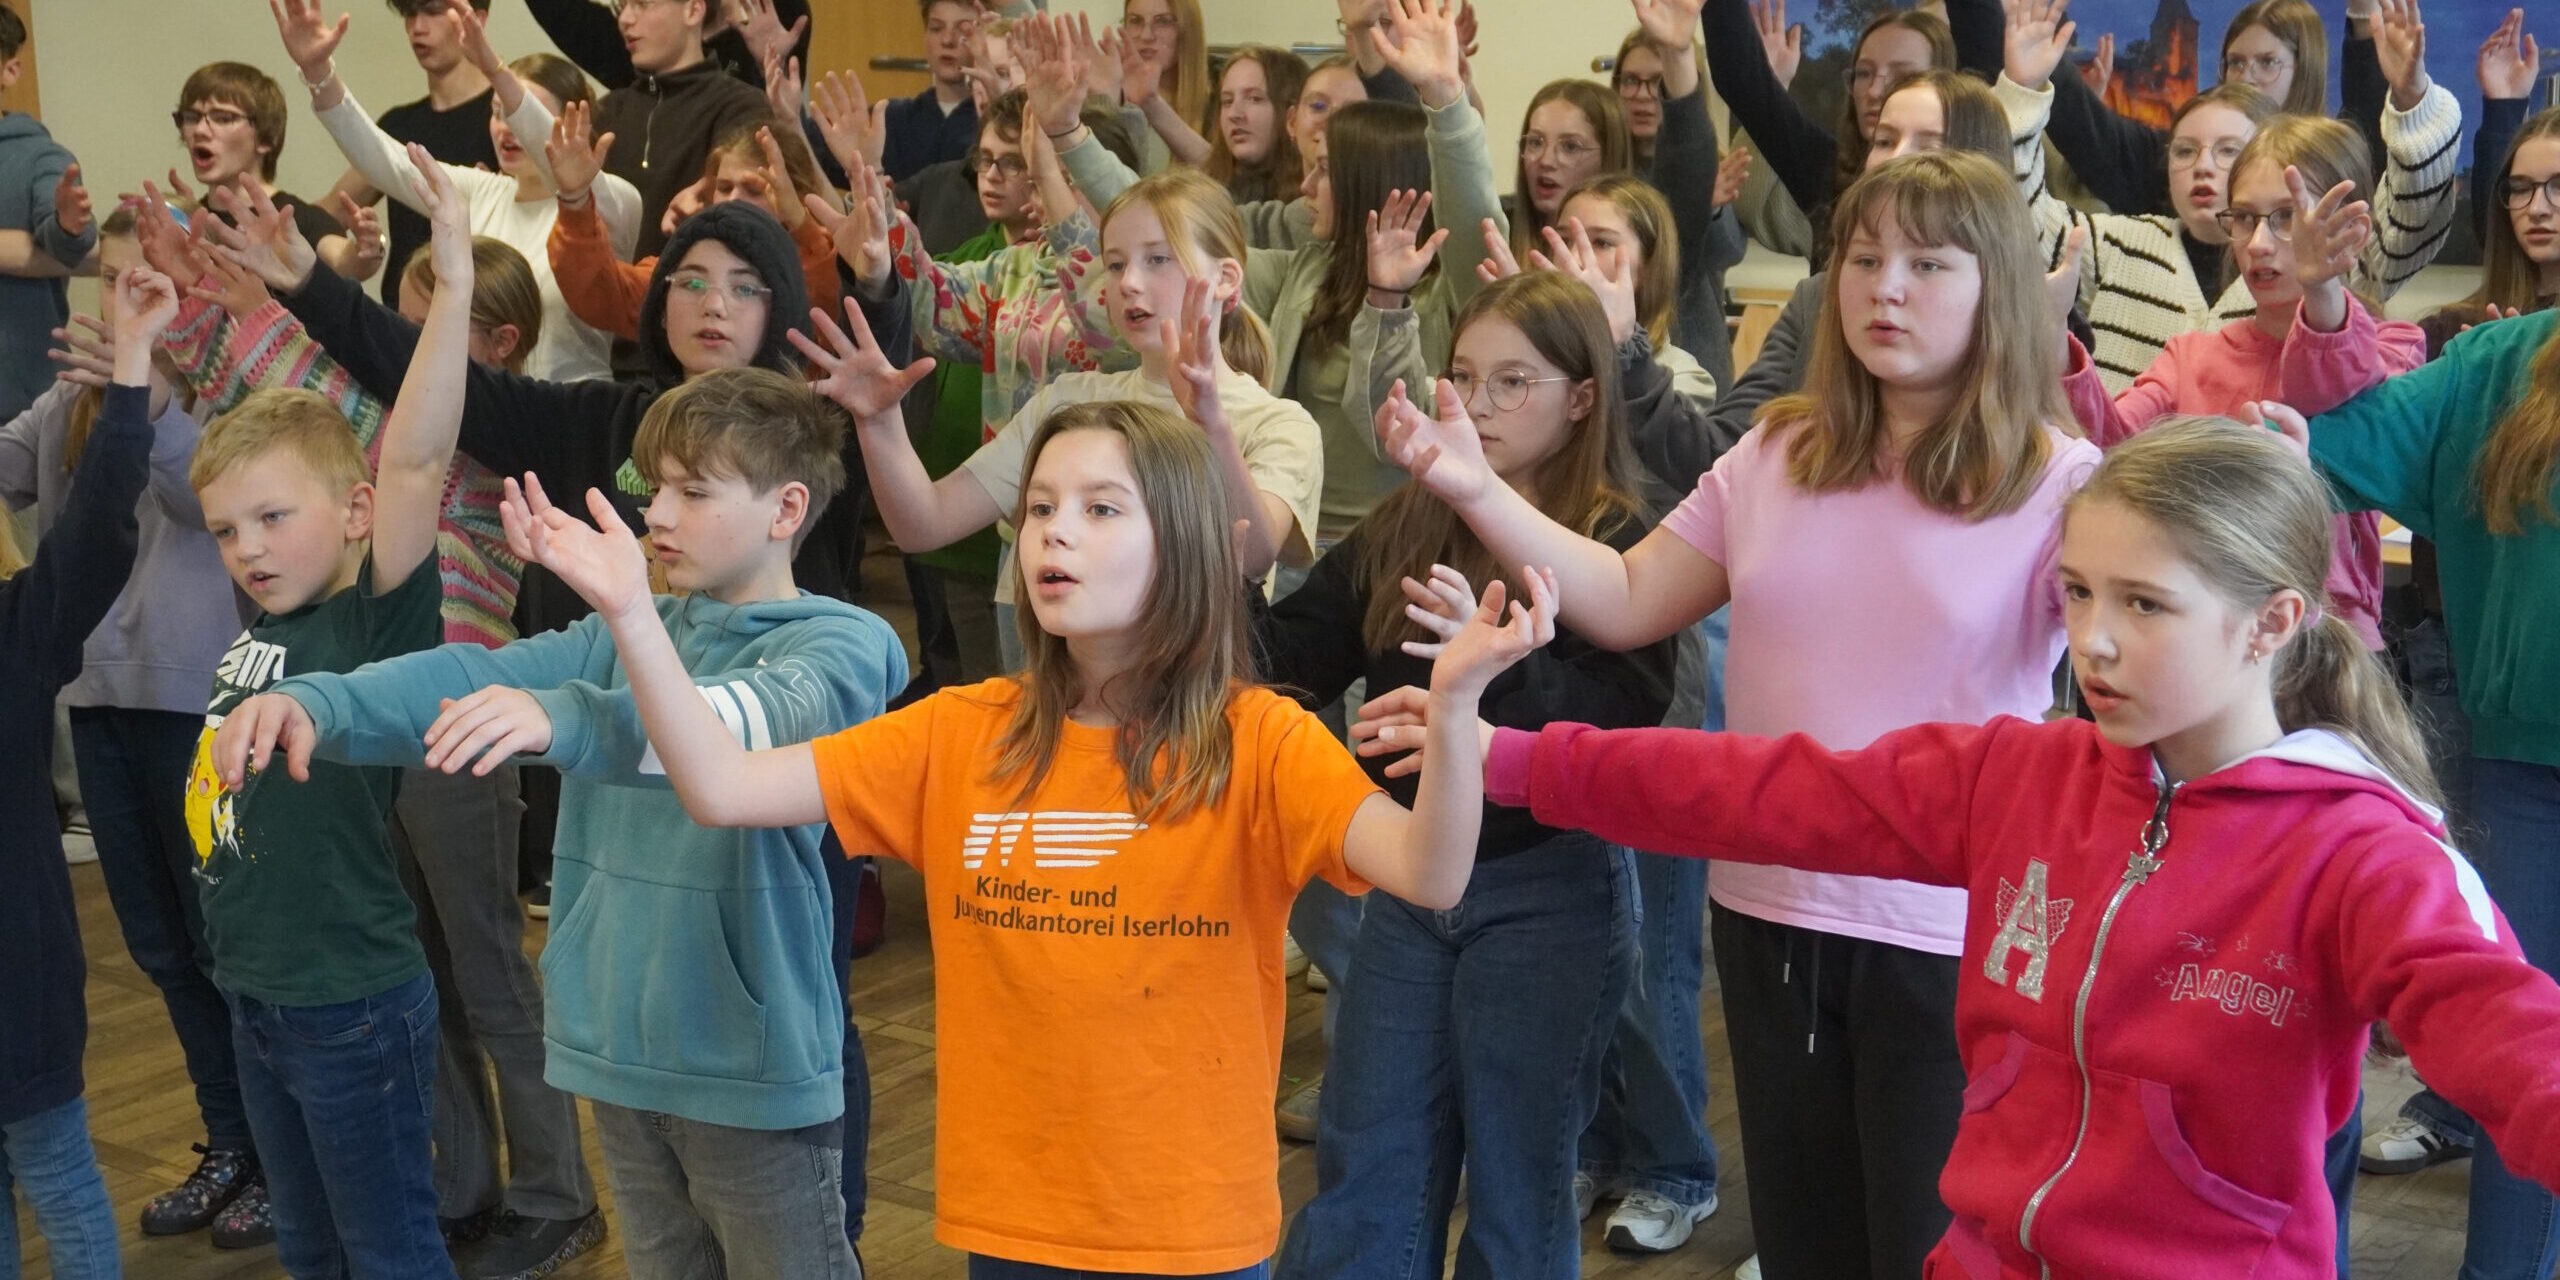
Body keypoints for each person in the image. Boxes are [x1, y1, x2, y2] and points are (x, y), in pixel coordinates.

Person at [1450, 413, 2560, 1280]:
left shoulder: (2359, 849)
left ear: (2271, 623)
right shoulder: (2022, 775)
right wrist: (1509, 758)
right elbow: (1761, 791)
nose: (2094, 640)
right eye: (2077, 593)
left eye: (2145, 605)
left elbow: (2509, 1033)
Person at [490, 380, 1538, 1273]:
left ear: (1182, 543)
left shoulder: (1259, 740)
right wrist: (633, 615)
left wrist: (1454, 715)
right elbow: (719, 785)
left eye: (1099, 508)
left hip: (1189, 1228)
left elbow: (1430, 872)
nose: (1055, 533)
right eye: (1039, 509)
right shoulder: (962, 730)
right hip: (1012, 1218)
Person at [1375, 150, 2102, 1279]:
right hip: (1769, 908)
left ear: (1996, 285)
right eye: (1863, 258)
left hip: (1952, 930)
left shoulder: (2061, 481)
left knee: (1933, 1251)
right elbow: (1626, 597)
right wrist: (1477, 488)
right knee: (1808, 1246)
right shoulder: (1776, 452)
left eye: (1926, 264)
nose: (1884, 287)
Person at [215, 367, 897, 1280]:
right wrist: (318, 700)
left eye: (694, 492)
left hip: (753, 1075)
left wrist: (568, 705)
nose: (659, 514)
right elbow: (466, 673)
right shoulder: (623, 630)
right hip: (616, 1057)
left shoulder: (848, 644)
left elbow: (724, 735)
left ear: (787, 509)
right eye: (654, 488)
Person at [1267, 270, 1676, 1279]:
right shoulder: (1406, 524)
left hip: (1550, 889)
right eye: (1463, 377)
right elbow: (1286, 655)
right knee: (1367, 1158)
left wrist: (1491, 672)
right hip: (1409, 887)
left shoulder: (1615, 537)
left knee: (1518, 1175)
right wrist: (1206, 558)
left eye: (1512, 382)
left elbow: (1621, 724)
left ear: (1581, 397)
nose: (1478, 405)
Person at [179, 153, 486, 1280]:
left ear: (355, 514)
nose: (247, 548)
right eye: (226, 530)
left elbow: (416, 457)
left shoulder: (373, 620)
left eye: (272, 517)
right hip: (257, 990)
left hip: (348, 1002)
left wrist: (453, 283)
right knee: (308, 1246)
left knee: (390, 1247)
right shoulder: (264, 623)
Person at [2261, 301, 2560, 1280]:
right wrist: (2297, 393)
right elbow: (2328, 446)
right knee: (2520, 1060)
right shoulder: (2500, 364)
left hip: (2518, 757)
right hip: (2523, 765)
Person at [1, 206, 255, 1251]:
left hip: (189, 700)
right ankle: (229, 1140)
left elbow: (206, 502)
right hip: (98, 697)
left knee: (222, 942)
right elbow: (11, 468)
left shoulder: (216, 388)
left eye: (144, 283)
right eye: (107, 281)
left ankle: (276, 1156)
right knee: (158, 946)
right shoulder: (72, 393)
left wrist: (143, 395)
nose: (120, 302)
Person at [2060, 117, 2416, 654]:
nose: (2258, 244)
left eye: (2286, 218)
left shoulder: (2394, 346)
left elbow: (2327, 393)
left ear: (2351, 230)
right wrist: (2055, 348)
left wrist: (2322, 290)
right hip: (2202, 637)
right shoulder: (2192, 355)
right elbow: (2107, 450)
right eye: (2244, 219)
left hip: (2331, 642)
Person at [1997, 0, 2461, 393]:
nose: (2202, 165)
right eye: (2184, 150)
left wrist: (2411, 99)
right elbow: (2015, 219)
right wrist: (2021, 91)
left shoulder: (2322, 258)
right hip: (2123, 470)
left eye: (2228, 151)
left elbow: (2411, 219)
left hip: (2259, 476)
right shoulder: (2113, 243)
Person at [0, 265, 174, 1280]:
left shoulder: (18, 632)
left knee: (57, 1172)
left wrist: (135, 363)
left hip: (16, 981)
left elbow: (102, 519)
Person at [283, 0, 638, 382]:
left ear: (574, 121)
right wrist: (319, 73)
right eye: (496, 112)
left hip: (574, 403)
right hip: (482, 399)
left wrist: (494, 70)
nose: (506, 127)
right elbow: (384, 159)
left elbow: (554, 154)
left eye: (519, 111)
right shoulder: (482, 191)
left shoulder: (611, 199)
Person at [314, 0, 501, 307]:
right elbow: (330, 211)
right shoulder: (399, 126)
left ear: (476, 19)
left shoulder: (505, 123)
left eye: (433, 11)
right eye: (410, 13)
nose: (418, 27)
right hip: (403, 318)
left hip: (482, 313)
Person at [584, 0, 776, 256]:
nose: (625, 19)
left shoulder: (740, 106)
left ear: (693, 10)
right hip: (606, 278)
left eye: (641, 4)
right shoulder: (607, 111)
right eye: (622, 6)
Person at [174, 61, 371, 284]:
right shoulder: (188, 218)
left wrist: (367, 247)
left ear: (266, 139)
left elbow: (344, 262)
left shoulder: (296, 218)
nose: (200, 130)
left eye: (223, 118)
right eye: (192, 117)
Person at [0, 1, 95, 422]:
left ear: (10, 71)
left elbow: (66, 243)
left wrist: (67, 226)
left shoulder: (39, 157)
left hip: (22, 408)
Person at [879, 0, 985, 181]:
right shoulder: (891, 119)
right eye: (936, 28)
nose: (947, 40)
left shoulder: (997, 121)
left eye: (964, 29)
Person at [1203, 47, 1309, 205]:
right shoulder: (1207, 196)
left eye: (1254, 99)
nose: (1234, 114)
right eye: (1227, 101)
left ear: (1291, 113)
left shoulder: (1315, 200)